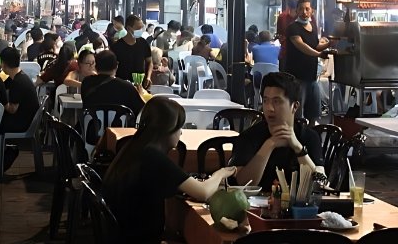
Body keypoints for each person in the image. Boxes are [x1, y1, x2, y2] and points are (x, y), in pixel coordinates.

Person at [103, 97, 237, 243]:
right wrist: (221, 173)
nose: (181, 133)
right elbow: (203, 192)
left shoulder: (133, 147)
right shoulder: (153, 157)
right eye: (179, 127)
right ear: (167, 128)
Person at [230, 71, 324, 189]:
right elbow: (243, 183)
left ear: (295, 106)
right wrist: (269, 145)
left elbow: (319, 184)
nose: (269, 108)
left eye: (276, 101)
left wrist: (298, 148)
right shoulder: (249, 136)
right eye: (265, 101)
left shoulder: (310, 137)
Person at [284, 0, 330, 125]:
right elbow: (302, 46)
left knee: (314, 113)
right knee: (297, 114)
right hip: (297, 78)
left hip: (312, 77)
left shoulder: (313, 26)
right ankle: (296, 139)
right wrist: (319, 54)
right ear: (297, 11)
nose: (304, 12)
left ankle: (311, 137)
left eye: (307, 9)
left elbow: (315, 45)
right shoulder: (293, 28)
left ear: (312, 11)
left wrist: (331, 43)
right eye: (301, 9)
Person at [81, 50, 145, 116]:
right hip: (120, 126)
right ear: (116, 66)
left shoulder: (86, 83)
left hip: (91, 125)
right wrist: (140, 94)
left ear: (96, 67)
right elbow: (143, 110)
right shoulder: (127, 87)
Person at [0, 47, 39, 134]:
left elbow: (12, 109)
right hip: (27, 120)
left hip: (22, 123)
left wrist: (1, 101)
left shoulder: (18, 82)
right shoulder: (19, 76)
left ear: (3, 64)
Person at [109, 14, 152, 87]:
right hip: (122, 85)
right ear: (129, 28)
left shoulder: (143, 43)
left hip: (140, 85)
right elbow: (111, 67)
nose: (141, 31)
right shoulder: (117, 47)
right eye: (138, 28)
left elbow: (150, 61)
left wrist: (148, 77)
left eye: (142, 28)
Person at [276, 0, 302, 67]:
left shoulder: (305, 16)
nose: (293, 0)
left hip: (302, 54)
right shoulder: (282, 17)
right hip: (285, 53)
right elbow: (279, 33)